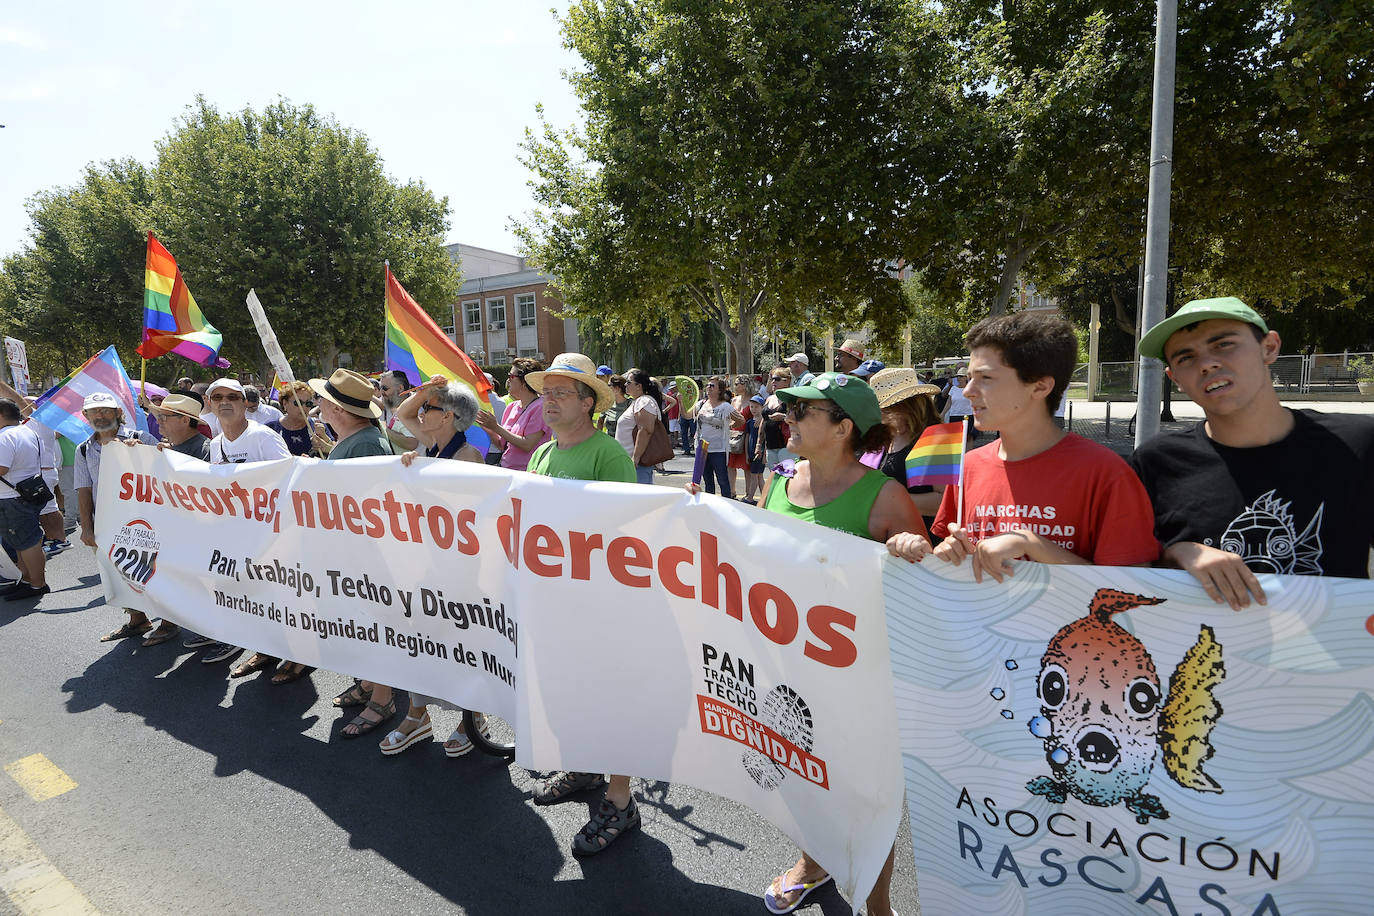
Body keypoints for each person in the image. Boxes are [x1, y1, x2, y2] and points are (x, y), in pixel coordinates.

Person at [708, 372, 926, 916]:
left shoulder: (885, 496)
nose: (788, 417)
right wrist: (704, 518)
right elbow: (748, 551)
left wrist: (910, 548)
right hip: (785, 666)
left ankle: (878, 906)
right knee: (802, 776)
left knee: (861, 794)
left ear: (843, 427)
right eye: (789, 408)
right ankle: (813, 862)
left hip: (857, 677)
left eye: (803, 411)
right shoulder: (779, 481)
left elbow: (922, 592)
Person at [1132, 296, 1374, 608]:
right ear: (1174, 378)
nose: (1207, 363)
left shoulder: (1359, 443)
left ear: (1269, 347)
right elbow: (1134, 576)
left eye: (1223, 344)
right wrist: (1178, 553)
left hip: (1336, 650)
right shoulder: (1155, 462)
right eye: (1186, 358)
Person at [892, 313, 1159, 580]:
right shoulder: (968, 468)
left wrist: (1033, 545)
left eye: (985, 378)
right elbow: (960, 561)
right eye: (970, 378)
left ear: (1040, 386)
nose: (968, 391)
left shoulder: (1106, 473)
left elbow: (1134, 589)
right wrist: (938, 553)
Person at [517, 353, 640, 856]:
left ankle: (620, 800)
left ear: (588, 402)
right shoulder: (542, 454)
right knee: (569, 694)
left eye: (560, 393)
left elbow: (629, 536)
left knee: (608, 699)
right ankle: (585, 769)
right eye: (545, 392)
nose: (548, 401)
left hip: (599, 606)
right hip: (554, 604)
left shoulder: (607, 455)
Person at [379, 376, 489, 756]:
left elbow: (470, 520)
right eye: (426, 408)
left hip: (461, 572)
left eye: (432, 409)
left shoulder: (468, 457)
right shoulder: (431, 447)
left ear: (449, 418)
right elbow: (402, 414)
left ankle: (472, 718)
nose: (422, 413)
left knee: (461, 645)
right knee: (420, 639)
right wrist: (428, 391)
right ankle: (417, 715)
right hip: (427, 567)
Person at [305, 369, 405, 736]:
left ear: (338, 411)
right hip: (354, 553)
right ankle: (369, 684)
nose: (317, 405)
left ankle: (383, 698)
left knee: (374, 625)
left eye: (322, 401)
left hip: (366, 556)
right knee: (362, 625)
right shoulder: (355, 439)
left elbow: (363, 507)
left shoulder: (364, 444)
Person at [197, 379, 294, 672]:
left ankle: (297, 657)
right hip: (238, 535)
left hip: (272, 534)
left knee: (281, 597)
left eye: (233, 397)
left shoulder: (262, 437)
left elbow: (288, 480)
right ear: (210, 404)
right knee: (252, 595)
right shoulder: (215, 444)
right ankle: (265, 649)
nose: (225, 402)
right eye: (218, 397)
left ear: (244, 403)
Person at [76, 393, 161, 641]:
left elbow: (162, 474)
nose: (100, 416)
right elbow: (84, 489)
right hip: (107, 524)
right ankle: (138, 619)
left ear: (116, 413)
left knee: (156, 572)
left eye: (105, 410)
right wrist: (86, 527)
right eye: (94, 412)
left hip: (144, 521)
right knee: (119, 574)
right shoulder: (84, 449)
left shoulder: (140, 438)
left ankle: (168, 622)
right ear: (86, 416)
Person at [868, 368, 946, 527]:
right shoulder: (887, 434)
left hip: (924, 542)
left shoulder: (936, 438)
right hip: (890, 538)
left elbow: (944, 501)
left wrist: (887, 499)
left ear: (906, 406)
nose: (878, 412)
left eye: (885, 407)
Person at [0, 399, 50, 601]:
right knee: (23, 542)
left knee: (27, 543)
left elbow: (2, 468)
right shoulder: (28, 431)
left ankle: (37, 584)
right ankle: (28, 580)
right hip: (27, 493)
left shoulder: (4, 436)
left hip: (12, 497)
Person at [474, 357, 551, 472]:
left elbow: (527, 444)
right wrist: (487, 427)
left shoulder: (540, 407)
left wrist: (495, 427)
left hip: (528, 473)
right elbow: (502, 445)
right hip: (507, 470)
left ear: (524, 382)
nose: (508, 380)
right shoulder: (511, 407)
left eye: (511, 376)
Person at [693, 377, 744, 498]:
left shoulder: (725, 406)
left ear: (720, 390)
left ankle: (727, 504)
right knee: (707, 481)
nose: (709, 388)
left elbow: (741, 420)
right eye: (708, 385)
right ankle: (710, 507)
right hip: (702, 448)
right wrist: (681, 402)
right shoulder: (701, 404)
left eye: (712, 386)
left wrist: (729, 427)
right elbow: (687, 416)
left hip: (718, 450)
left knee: (722, 480)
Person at [616, 368, 664, 485]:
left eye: (628, 382)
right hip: (632, 462)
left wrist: (635, 458)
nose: (625, 384)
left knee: (638, 500)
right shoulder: (639, 401)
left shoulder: (644, 402)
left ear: (639, 386)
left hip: (638, 464)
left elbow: (645, 430)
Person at [758, 366, 797, 493]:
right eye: (771, 378)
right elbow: (763, 421)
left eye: (777, 379)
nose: (773, 382)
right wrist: (759, 444)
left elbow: (801, 419)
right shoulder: (769, 398)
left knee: (787, 479)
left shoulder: (792, 398)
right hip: (771, 446)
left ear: (787, 381)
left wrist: (783, 417)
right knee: (774, 478)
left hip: (786, 446)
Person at [265, 382, 319, 457]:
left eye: (308, 403)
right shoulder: (271, 428)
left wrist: (324, 444)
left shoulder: (316, 426)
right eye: (298, 403)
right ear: (285, 403)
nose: (303, 407)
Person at [726, 376, 754, 496]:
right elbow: (729, 417)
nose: (735, 386)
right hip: (733, 435)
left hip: (747, 436)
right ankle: (732, 491)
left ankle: (748, 493)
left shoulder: (753, 400)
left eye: (737, 384)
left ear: (745, 385)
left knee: (747, 466)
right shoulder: (734, 400)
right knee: (730, 465)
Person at [377, 370, 418, 452]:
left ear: (400, 388)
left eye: (385, 388)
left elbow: (411, 443)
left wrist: (384, 429)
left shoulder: (417, 405)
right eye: (380, 388)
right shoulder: (388, 401)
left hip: (417, 463)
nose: (381, 392)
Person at [741, 394, 766, 503]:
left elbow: (765, 439)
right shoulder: (749, 422)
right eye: (752, 407)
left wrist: (764, 454)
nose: (754, 409)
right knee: (759, 476)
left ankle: (750, 497)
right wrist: (746, 454)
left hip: (759, 453)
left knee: (755, 476)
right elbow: (747, 438)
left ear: (762, 407)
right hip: (751, 453)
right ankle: (765, 498)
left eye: (756, 407)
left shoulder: (763, 422)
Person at [943, 366, 975, 440]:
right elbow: (949, 402)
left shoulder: (971, 389)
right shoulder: (953, 388)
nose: (958, 378)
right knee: (955, 438)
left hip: (967, 416)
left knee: (966, 438)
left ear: (966, 377)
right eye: (957, 376)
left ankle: (966, 451)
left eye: (961, 376)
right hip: (954, 415)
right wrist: (943, 413)